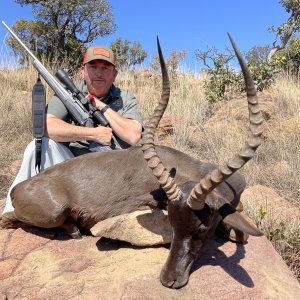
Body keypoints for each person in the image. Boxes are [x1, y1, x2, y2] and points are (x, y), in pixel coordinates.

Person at [2, 45, 143, 215]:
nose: (99, 73)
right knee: (38, 145)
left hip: (113, 174)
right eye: (93, 67)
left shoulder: (125, 97)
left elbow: (134, 136)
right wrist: (93, 134)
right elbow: (46, 126)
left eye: (105, 68)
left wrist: (99, 105)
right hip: (73, 171)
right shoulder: (69, 93)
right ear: (83, 70)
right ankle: (11, 211)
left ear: (114, 74)